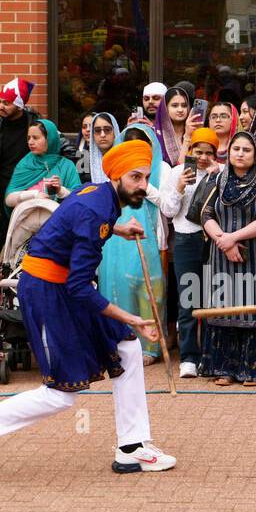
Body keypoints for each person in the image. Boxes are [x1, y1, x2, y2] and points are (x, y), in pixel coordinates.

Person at [0, 140, 176, 473]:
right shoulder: (97, 207)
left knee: (127, 348)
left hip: (62, 287)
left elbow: (73, 225)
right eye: (135, 177)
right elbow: (80, 287)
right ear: (116, 176)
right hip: (47, 293)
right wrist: (130, 317)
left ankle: (132, 447)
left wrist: (118, 229)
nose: (142, 185)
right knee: (59, 394)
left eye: (145, 178)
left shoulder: (101, 196)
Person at [198, 131, 256, 386]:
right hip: (221, 254)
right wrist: (223, 242)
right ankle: (223, 369)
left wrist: (232, 237)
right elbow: (206, 214)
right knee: (225, 307)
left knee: (253, 310)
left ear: (255, 154)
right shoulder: (219, 180)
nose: (240, 154)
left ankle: (254, 370)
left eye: (247, 150)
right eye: (236, 148)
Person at [101, 125, 166, 362]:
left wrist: (145, 184)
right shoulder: (118, 175)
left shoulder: (162, 169)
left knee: (149, 291)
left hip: (151, 240)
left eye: (142, 143)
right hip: (118, 241)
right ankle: (119, 343)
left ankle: (150, 346)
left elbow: (169, 206)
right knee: (118, 288)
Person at [160, 127, 218, 378]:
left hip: (213, 240)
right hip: (185, 239)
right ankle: (188, 358)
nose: (203, 157)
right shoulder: (176, 172)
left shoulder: (221, 173)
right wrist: (180, 186)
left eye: (208, 152)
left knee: (212, 298)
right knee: (188, 299)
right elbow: (169, 210)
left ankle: (208, 355)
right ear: (190, 150)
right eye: (198, 151)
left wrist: (217, 178)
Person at [0, 77, 38, 212]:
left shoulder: (39, 126)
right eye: (0, 101)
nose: (0, 106)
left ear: (19, 105)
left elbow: (64, 149)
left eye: (6, 103)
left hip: (31, 195)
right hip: (0, 200)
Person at [5, 118, 82, 208]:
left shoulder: (67, 166)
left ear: (50, 139)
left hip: (58, 220)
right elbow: (8, 199)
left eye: (35, 138)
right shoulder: (25, 163)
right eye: (28, 138)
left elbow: (78, 196)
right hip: (27, 219)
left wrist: (60, 190)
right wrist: (34, 195)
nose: (30, 142)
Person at [154, 86, 198, 167]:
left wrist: (188, 135)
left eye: (184, 105)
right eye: (175, 105)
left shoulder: (195, 132)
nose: (180, 110)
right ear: (165, 108)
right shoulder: (155, 135)